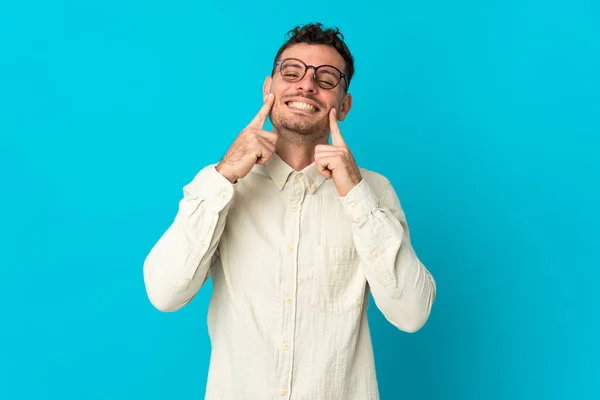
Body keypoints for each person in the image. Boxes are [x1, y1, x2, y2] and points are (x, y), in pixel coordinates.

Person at [143, 22, 436, 400]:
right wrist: (225, 174)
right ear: (270, 88)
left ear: (343, 106)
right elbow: (164, 294)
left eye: (326, 78)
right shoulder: (219, 184)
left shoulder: (374, 192)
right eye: (292, 72)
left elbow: (411, 314)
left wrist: (356, 196)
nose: (306, 85)